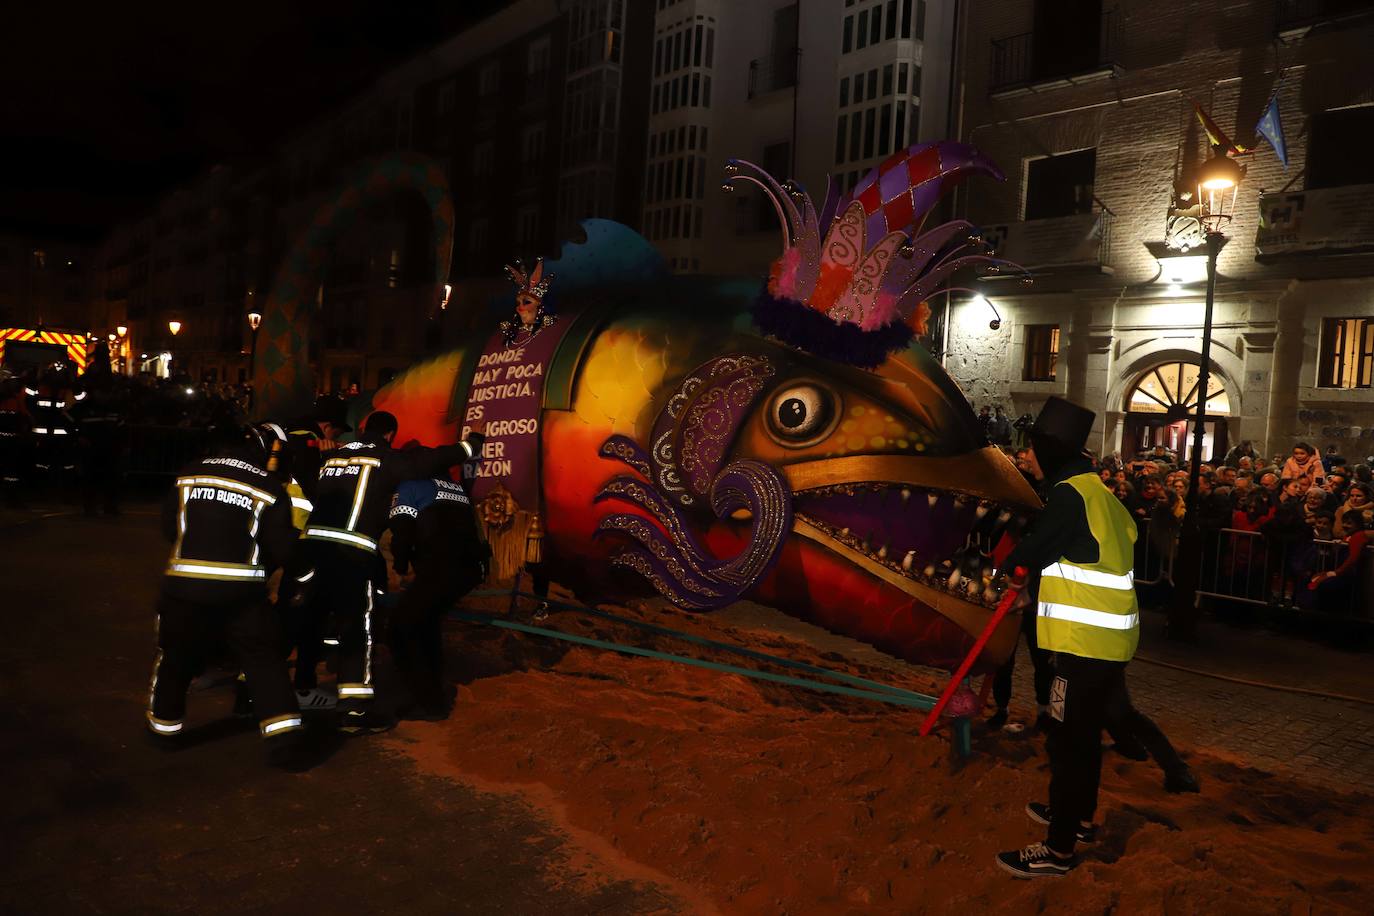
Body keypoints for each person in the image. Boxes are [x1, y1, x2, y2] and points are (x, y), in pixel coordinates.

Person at [995, 397, 1139, 878]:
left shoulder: (1069, 495)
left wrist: (1006, 566)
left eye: (1032, 450)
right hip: (1107, 643)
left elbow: (1028, 553)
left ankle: (1057, 851)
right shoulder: (1101, 494)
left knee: (1067, 741)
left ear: (1051, 451)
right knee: (1083, 737)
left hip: (1082, 644)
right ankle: (1076, 820)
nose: (1026, 459)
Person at [297, 411, 483, 733]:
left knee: (314, 619)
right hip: (465, 566)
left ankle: (286, 689)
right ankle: (368, 705)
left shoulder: (335, 458)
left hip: (313, 552)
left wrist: (400, 563)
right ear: (390, 435)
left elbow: (402, 527)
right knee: (374, 625)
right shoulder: (439, 481)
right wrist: (472, 444)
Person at [145, 425, 305, 766]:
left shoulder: (190, 472)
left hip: (184, 587)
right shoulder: (268, 485)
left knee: (175, 657)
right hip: (242, 593)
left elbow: (168, 527)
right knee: (263, 661)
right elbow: (282, 546)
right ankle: (286, 743)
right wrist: (304, 575)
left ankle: (163, 730)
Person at [387, 469, 490, 719]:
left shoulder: (410, 485)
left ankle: (428, 702)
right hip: (470, 568)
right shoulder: (454, 487)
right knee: (426, 622)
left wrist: (400, 567)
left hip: (441, 567)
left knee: (401, 627)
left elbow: (402, 531)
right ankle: (432, 692)